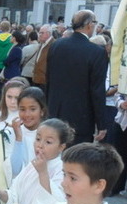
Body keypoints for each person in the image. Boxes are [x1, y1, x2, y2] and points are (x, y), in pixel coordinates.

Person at [0, 118, 74, 204]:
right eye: (38, 139)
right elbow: (14, 195)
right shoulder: (32, 165)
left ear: (61, 147)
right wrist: (0, 193)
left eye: (48, 142)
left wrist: (43, 173)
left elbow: (56, 203)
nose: (40, 145)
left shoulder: (63, 170)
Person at [46, 10, 108, 143]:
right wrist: (101, 124)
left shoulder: (56, 45)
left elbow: (49, 80)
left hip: (55, 112)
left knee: (54, 156)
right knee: (76, 159)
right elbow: (97, 90)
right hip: (81, 119)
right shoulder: (97, 52)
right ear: (89, 25)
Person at [10, 86, 47, 178]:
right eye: (22, 109)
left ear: (42, 111)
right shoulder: (13, 132)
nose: (27, 114)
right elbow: (15, 169)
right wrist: (18, 138)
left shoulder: (49, 135)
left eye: (32, 109)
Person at [0, 79, 26, 160]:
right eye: (9, 97)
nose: (13, 101)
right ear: (4, 96)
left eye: (17, 98)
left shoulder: (27, 121)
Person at [0, 20, 12, 103]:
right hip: (8, 64)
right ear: (9, 27)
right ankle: (6, 101)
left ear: (1, 28)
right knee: (8, 85)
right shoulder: (12, 37)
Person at [32, 24, 54, 90]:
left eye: (42, 33)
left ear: (48, 33)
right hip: (37, 79)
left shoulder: (54, 44)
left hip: (45, 81)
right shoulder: (42, 43)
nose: (39, 35)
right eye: (39, 33)